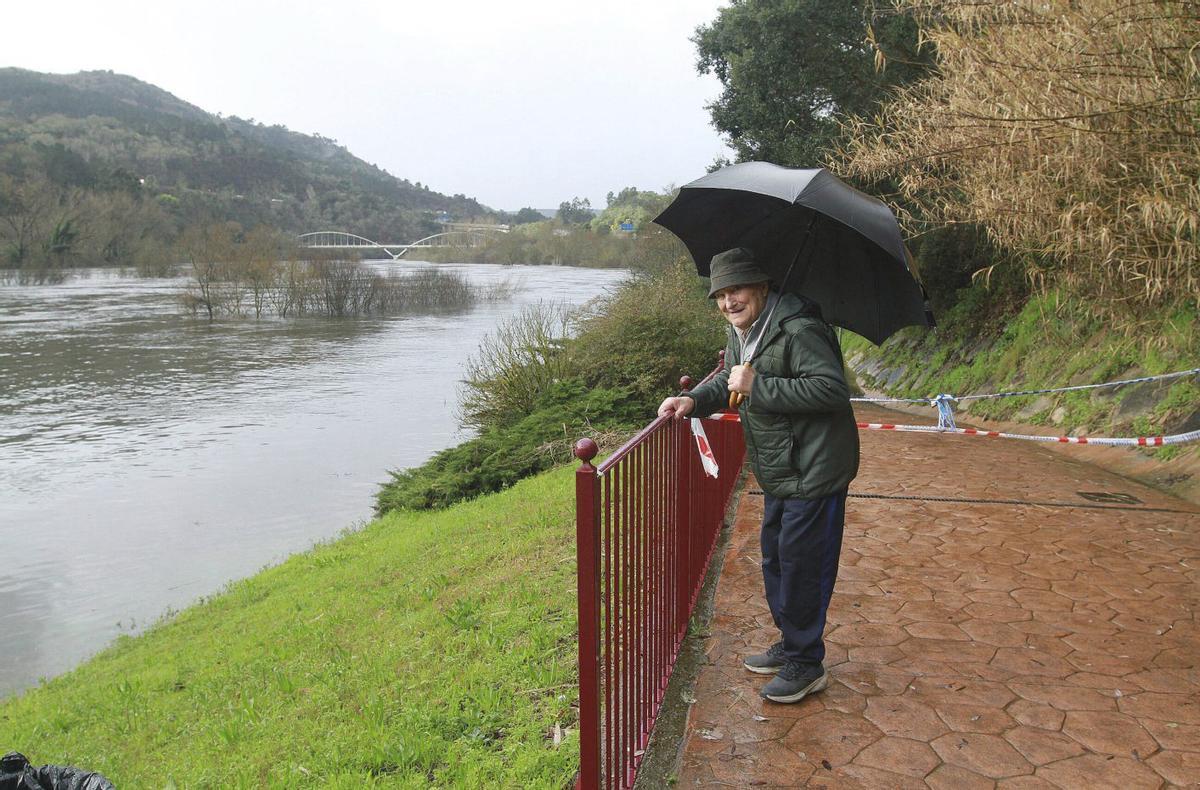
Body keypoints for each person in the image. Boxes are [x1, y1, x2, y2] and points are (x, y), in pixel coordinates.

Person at [657, 247, 859, 704]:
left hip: (815, 467)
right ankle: (792, 643)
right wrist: (693, 401)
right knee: (776, 560)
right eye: (721, 295)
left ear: (762, 288)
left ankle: (807, 662)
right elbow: (729, 379)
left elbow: (831, 389)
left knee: (802, 566)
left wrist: (758, 386)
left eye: (738, 290)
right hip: (781, 467)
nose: (729, 302)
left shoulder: (801, 328)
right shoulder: (746, 332)